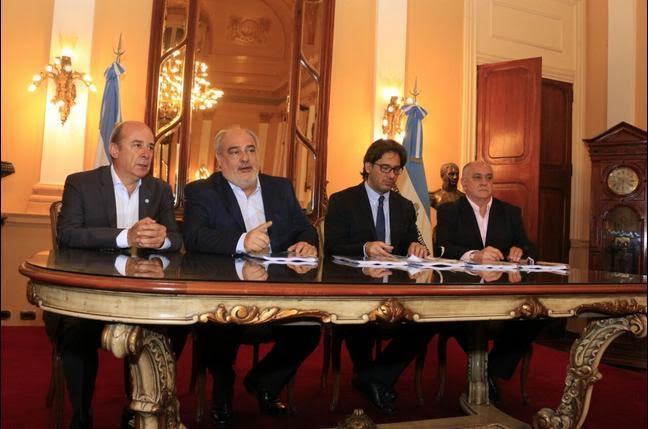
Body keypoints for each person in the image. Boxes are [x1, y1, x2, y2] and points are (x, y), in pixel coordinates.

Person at [44, 121, 183, 429]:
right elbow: (68, 235)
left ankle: (139, 408)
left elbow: (177, 240)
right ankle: (82, 415)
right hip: (88, 295)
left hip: (142, 298)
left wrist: (163, 239)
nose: (146, 153)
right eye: (137, 145)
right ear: (114, 150)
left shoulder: (159, 190)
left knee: (177, 326)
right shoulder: (81, 184)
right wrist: (125, 236)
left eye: (150, 147)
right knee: (76, 332)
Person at [183, 126, 320, 424]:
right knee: (221, 327)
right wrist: (241, 241)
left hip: (279, 293)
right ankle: (222, 392)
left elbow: (304, 227)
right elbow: (193, 237)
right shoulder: (202, 191)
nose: (245, 158)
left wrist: (306, 242)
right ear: (220, 160)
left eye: (250, 150)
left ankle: (264, 382)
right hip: (227, 294)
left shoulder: (280, 188)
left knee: (309, 329)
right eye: (235, 152)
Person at [324, 139, 436, 413]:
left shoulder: (404, 206)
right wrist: (365, 247)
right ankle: (373, 378)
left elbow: (409, 242)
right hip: (354, 289)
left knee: (427, 321)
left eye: (396, 170)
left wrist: (415, 246)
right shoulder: (343, 200)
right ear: (367, 166)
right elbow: (332, 247)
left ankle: (372, 378)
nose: (391, 175)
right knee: (360, 319)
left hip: (395, 289)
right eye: (385, 168)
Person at [435, 160, 543, 403]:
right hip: (462, 295)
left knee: (537, 315)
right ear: (464, 183)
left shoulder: (510, 211)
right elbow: (441, 248)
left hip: (503, 296)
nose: (484, 182)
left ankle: (490, 371)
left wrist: (521, 253)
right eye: (477, 177)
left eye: (489, 177)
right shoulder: (450, 211)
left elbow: (529, 247)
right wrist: (475, 255)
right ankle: (485, 374)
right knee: (469, 321)